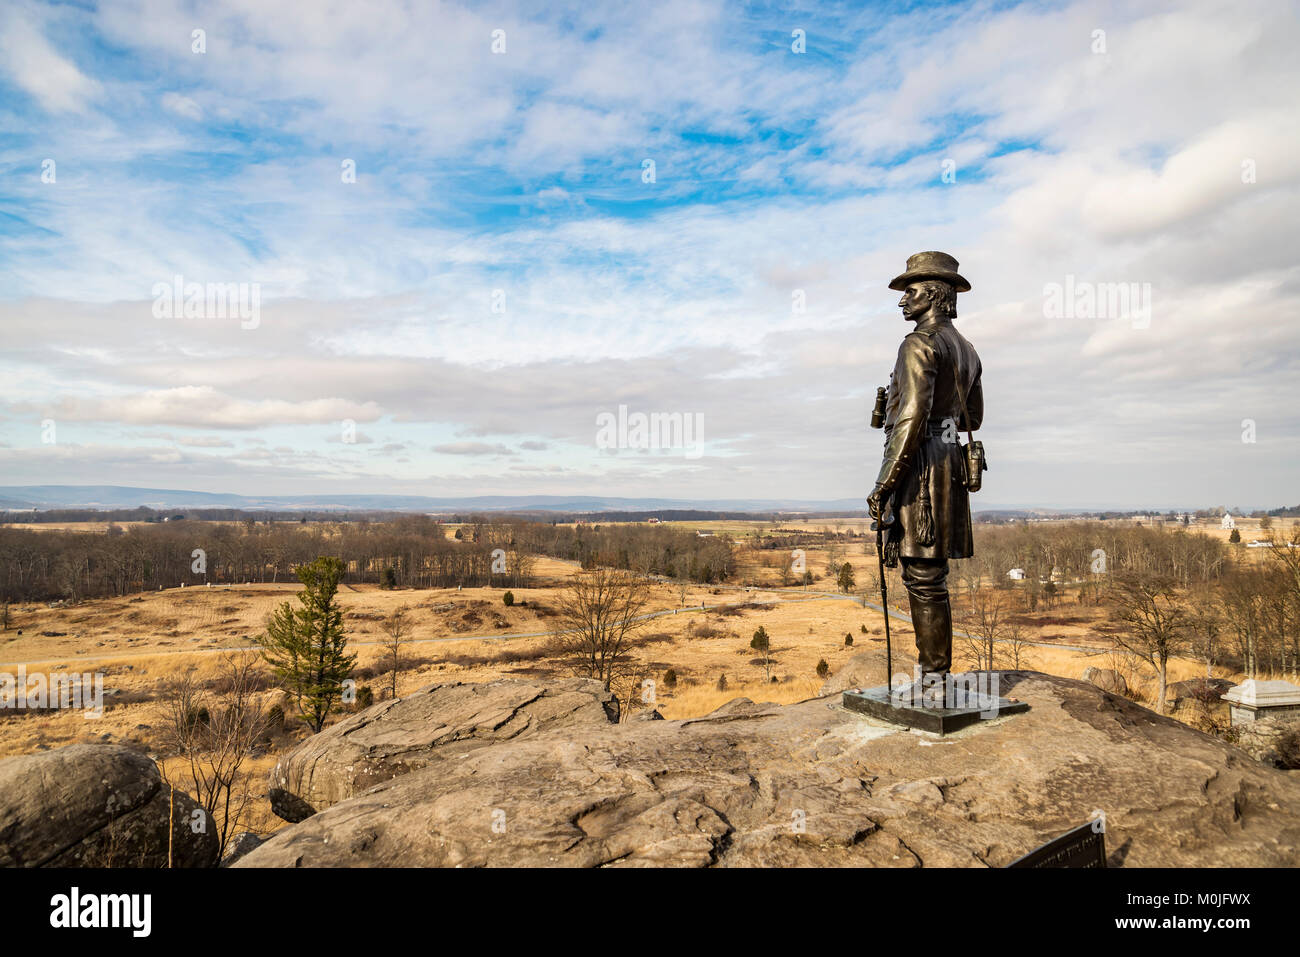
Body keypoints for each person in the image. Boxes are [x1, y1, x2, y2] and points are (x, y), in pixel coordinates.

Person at [866, 252, 983, 704]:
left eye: (910, 292)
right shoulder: (968, 349)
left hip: (922, 466)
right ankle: (937, 676)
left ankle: (934, 681)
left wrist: (884, 484)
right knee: (932, 576)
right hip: (949, 460)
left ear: (934, 293)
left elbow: (911, 419)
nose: (902, 302)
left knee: (923, 577)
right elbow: (973, 416)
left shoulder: (918, 345)